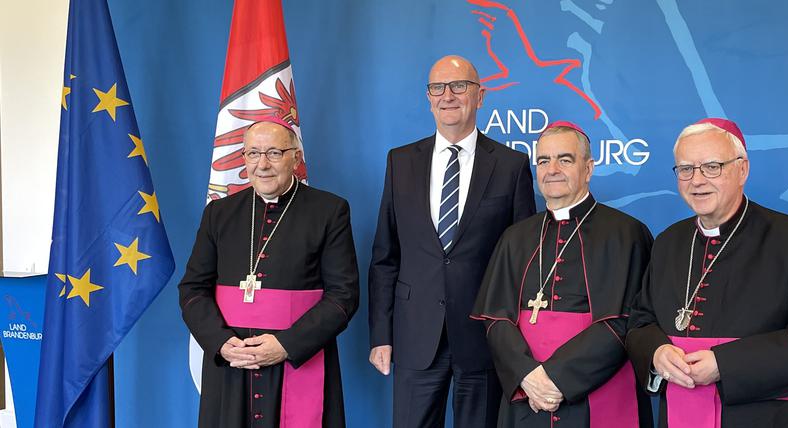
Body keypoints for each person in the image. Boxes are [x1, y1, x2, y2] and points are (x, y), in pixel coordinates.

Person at [625, 118, 788, 427]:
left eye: (711, 167)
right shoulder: (668, 242)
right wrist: (656, 352)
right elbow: (641, 322)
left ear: (742, 170)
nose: (697, 180)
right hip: (679, 413)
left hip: (762, 417)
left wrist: (724, 364)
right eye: (686, 169)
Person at [368, 55, 536, 427]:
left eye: (459, 86)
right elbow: (385, 257)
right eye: (437, 87)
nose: (448, 95)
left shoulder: (511, 166)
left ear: (480, 96)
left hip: (484, 338)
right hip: (414, 335)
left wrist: (518, 344)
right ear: (428, 98)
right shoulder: (400, 162)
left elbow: (524, 263)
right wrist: (381, 334)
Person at [471, 121, 654, 427]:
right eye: (543, 161)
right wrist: (527, 376)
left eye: (564, 160)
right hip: (527, 393)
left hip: (598, 388)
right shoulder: (515, 237)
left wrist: (555, 378)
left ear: (588, 168)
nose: (552, 169)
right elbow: (496, 318)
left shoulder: (626, 234)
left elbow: (626, 322)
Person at [179, 119, 359, 427]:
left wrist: (286, 345)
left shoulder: (329, 211)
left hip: (297, 357)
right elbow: (192, 289)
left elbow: (343, 296)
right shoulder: (219, 214)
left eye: (274, 153)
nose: (262, 164)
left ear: (296, 158)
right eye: (253, 153)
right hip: (233, 362)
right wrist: (221, 342)